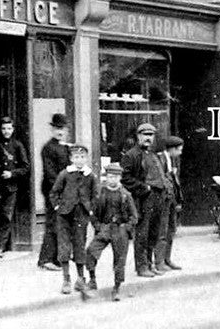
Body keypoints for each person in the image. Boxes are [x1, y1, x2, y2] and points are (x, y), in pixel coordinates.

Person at [85, 162, 138, 302]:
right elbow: (93, 213)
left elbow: (134, 217)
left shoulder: (125, 195)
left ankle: (116, 288)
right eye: (109, 176)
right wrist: (98, 226)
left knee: (120, 260)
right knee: (91, 251)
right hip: (105, 228)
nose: (112, 179)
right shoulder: (100, 193)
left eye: (115, 177)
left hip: (120, 230)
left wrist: (126, 227)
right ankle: (92, 279)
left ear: (119, 178)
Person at [120, 123, 167, 277]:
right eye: (145, 135)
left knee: (153, 232)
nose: (148, 138)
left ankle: (149, 264)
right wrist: (144, 188)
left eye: (151, 135)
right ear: (138, 136)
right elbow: (125, 178)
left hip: (157, 197)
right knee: (142, 233)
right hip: (143, 198)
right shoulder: (131, 155)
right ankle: (141, 267)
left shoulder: (153, 155)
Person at [50, 144, 96, 297]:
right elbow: (54, 192)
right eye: (76, 157)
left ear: (86, 158)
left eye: (82, 157)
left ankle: (80, 278)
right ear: (71, 159)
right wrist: (57, 207)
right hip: (64, 215)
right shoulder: (65, 174)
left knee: (80, 244)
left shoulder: (90, 175)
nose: (79, 160)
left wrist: (91, 209)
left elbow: (95, 195)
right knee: (64, 245)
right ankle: (66, 279)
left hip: (81, 215)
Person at [0, 116, 29, 258]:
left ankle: (0, 247)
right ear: (0, 129)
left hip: (11, 188)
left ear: (13, 129)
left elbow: (25, 167)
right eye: (4, 128)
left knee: (6, 217)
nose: (6, 131)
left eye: (9, 128)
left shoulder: (17, 145)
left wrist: (12, 174)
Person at [37, 113, 70, 271]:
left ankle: (56, 258)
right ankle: (46, 259)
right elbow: (50, 174)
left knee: (61, 223)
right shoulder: (48, 148)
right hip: (53, 191)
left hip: (64, 190)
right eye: (57, 128)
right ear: (52, 129)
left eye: (62, 128)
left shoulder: (65, 147)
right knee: (52, 222)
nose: (60, 131)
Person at [155, 136, 184, 271]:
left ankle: (167, 259)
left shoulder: (173, 159)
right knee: (162, 231)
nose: (180, 152)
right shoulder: (159, 159)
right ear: (172, 149)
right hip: (163, 199)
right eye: (179, 150)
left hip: (171, 199)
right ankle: (159, 261)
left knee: (171, 230)